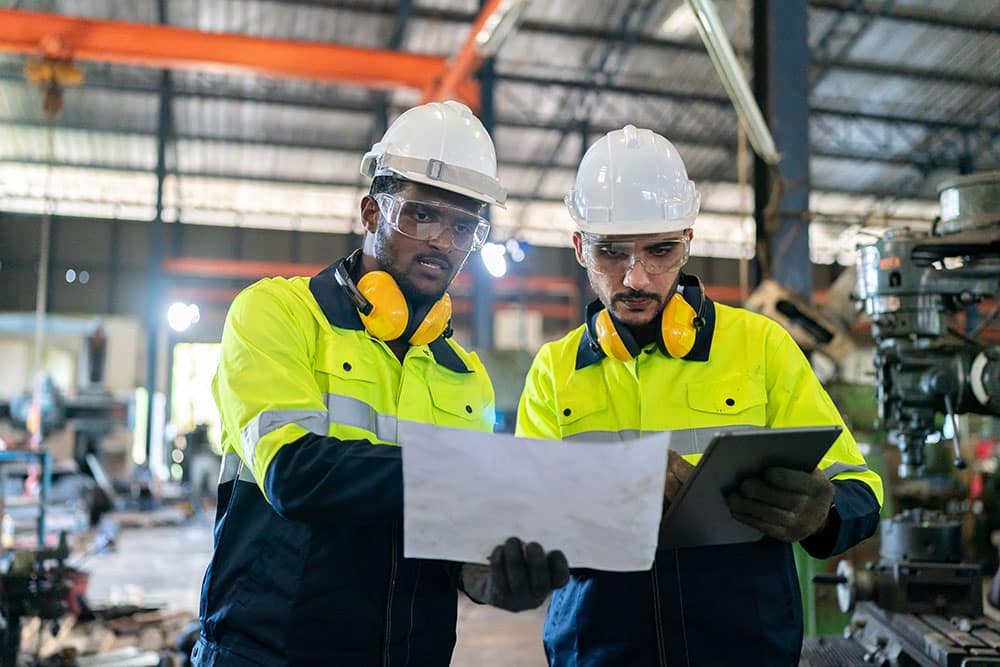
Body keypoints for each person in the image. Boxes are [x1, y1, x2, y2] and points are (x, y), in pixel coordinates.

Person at [193, 100, 568, 667]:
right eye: (421, 215)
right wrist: (474, 474)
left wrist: (498, 581)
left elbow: (455, 544)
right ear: (371, 212)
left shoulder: (466, 378)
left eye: (464, 225)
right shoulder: (278, 313)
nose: (443, 240)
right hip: (270, 653)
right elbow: (293, 473)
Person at [515, 125, 883, 666]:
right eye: (611, 253)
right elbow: (527, 518)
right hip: (597, 651)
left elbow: (860, 486)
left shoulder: (760, 347)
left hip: (742, 651)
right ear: (579, 248)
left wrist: (822, 514)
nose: (635, 277)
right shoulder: (554, 370)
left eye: (659, 251)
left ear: (687, 241)